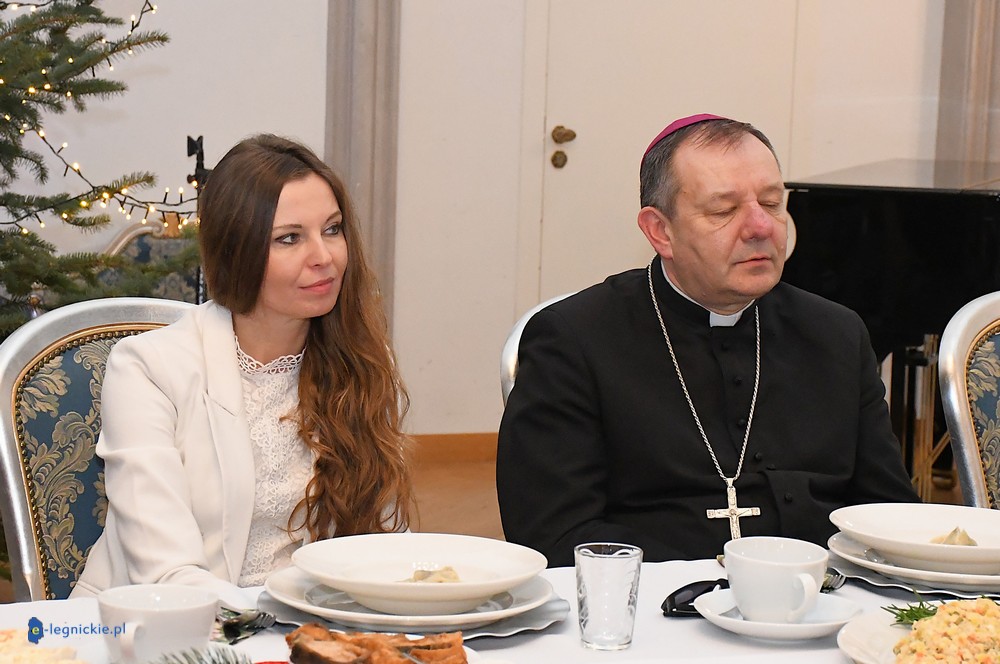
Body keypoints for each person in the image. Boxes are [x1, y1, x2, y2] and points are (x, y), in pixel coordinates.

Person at [496, 114, 920, 568]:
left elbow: (888, 512)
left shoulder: (836, 333)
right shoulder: (574, 339)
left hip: (821, 598)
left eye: (772, 203)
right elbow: (555, 532)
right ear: (660, 231)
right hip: (653, 602)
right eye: (723, 211)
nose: (761, 227)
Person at [72, 134, 413, 607]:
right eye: (290, 238)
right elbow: (165, 574)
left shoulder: (363, 362)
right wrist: (281, 621)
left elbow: (383, 545)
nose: (324, 257)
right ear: (237, 251)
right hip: (159, 626)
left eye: (332, 230)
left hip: (309, 627)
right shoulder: (148, 369)